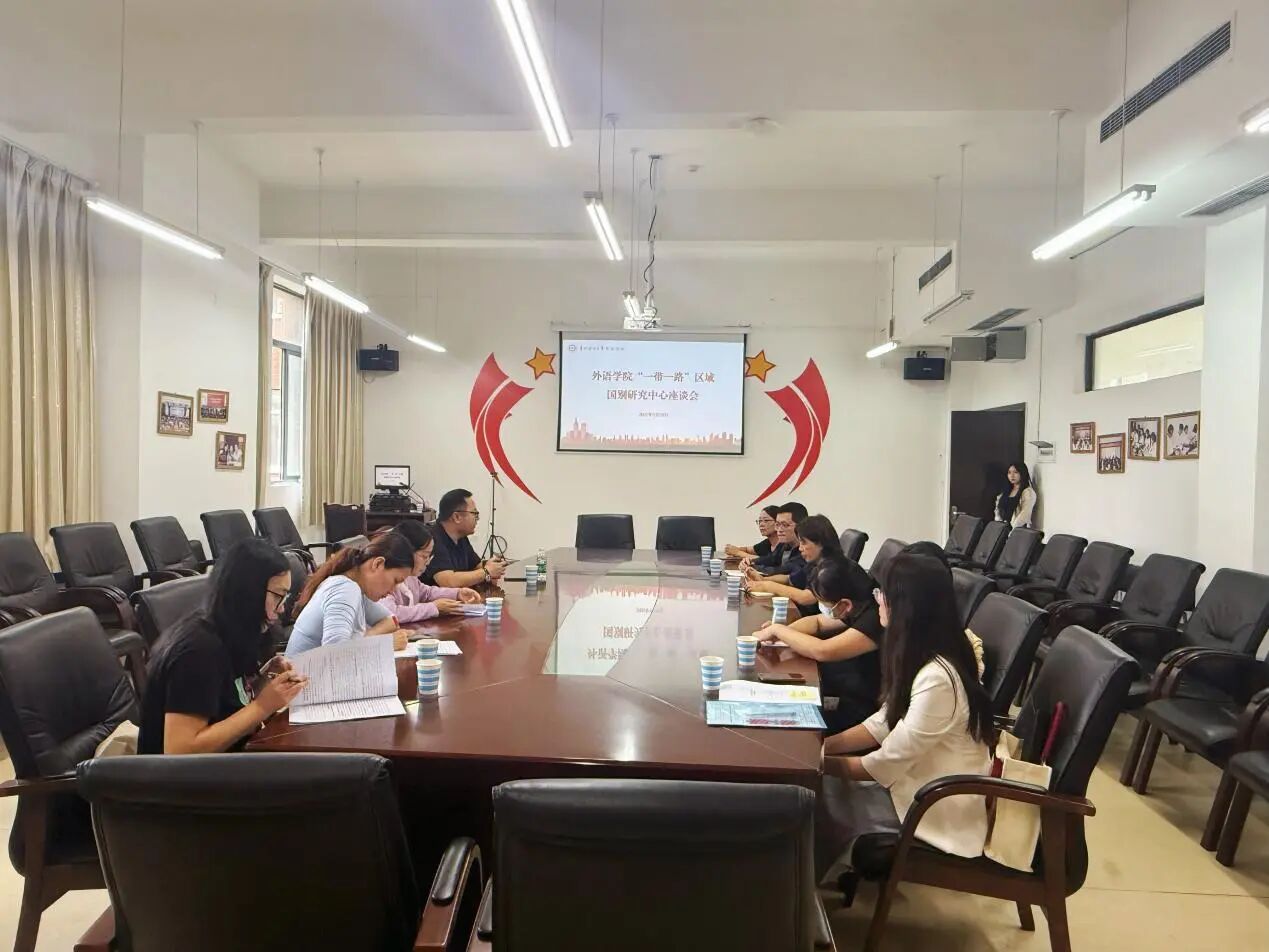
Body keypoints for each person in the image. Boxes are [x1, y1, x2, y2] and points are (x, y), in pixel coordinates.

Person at [816, 552, 994, 875]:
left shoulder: (938, 678)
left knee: (812, 803)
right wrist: (823, 745)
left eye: (881, 593)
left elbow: (884, 764)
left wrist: (817, 762)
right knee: (812, 794)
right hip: (911, 784)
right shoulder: (921, 654)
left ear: (905, 607)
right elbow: (883, 722)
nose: (877, 600)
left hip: (932, 809)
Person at [138, 538, 309, 755]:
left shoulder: (232, 629)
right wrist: (263, 706)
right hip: (185, 775)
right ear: (248, 593)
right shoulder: (198, 651)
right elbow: (180, 751)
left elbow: (225, 700)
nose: (282, 608)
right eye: (278, 596)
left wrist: (261, 681)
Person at [753, 555, 884, 730]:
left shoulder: (874, 618)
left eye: (824, 603)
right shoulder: (857, 604)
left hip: (862, 706)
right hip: (847, 685)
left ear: (845, 604)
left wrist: (778, 630)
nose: (822, 608)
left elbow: (823, 650)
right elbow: (818, 622)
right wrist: (785, 631)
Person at [284, 531, 413, 655]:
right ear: (378, 564)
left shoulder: (357, 588)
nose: (392, 591)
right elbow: (335, 653)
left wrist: (366, 639)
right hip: (305, 670)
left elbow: (391, 620)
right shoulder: (345, 589)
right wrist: (383, 644)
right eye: (395, 581)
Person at [376, 520, 482, 625]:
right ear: (405, 552)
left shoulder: (411, 578)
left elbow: (426, 593)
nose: (427, 562)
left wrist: (457, 593)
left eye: (429, 557)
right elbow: (391, 613)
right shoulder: (384, 576)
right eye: (424, 556)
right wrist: (432, 608)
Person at [744, 514, 842, 607]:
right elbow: (790, 579)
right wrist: (763, 580)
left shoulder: (833, 568)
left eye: (804, 543)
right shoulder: (815, 563)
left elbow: (806, 598)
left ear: (820, 543)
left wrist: (768, 586)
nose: (800, 548)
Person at [422, 488, 508, 588]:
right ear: (457, 517)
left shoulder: (460, 537)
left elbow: (476, 566)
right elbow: (448, 581)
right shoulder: (432, 539)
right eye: (474, 514)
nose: (478, 519)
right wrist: (486, 571)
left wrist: (491, 566)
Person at [744, 501, 808, 575]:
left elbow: (783, 570)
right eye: (777, 524)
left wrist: (752, 567)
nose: (779, 530)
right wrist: (750, 562)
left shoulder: (805, 549)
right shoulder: (783, 545)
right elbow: (770, 559)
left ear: (800, 526)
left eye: (785, 525)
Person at [994, 461, 1036, 528]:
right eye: (1009, 472)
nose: (1012, 475)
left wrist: (1012, 531)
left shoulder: (1028, 492)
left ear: (1022, 473)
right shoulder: (1006, 491)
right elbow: (998, 511)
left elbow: (1024, 515)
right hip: (1003, 529)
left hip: (1017, 530)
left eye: (1015, 472)